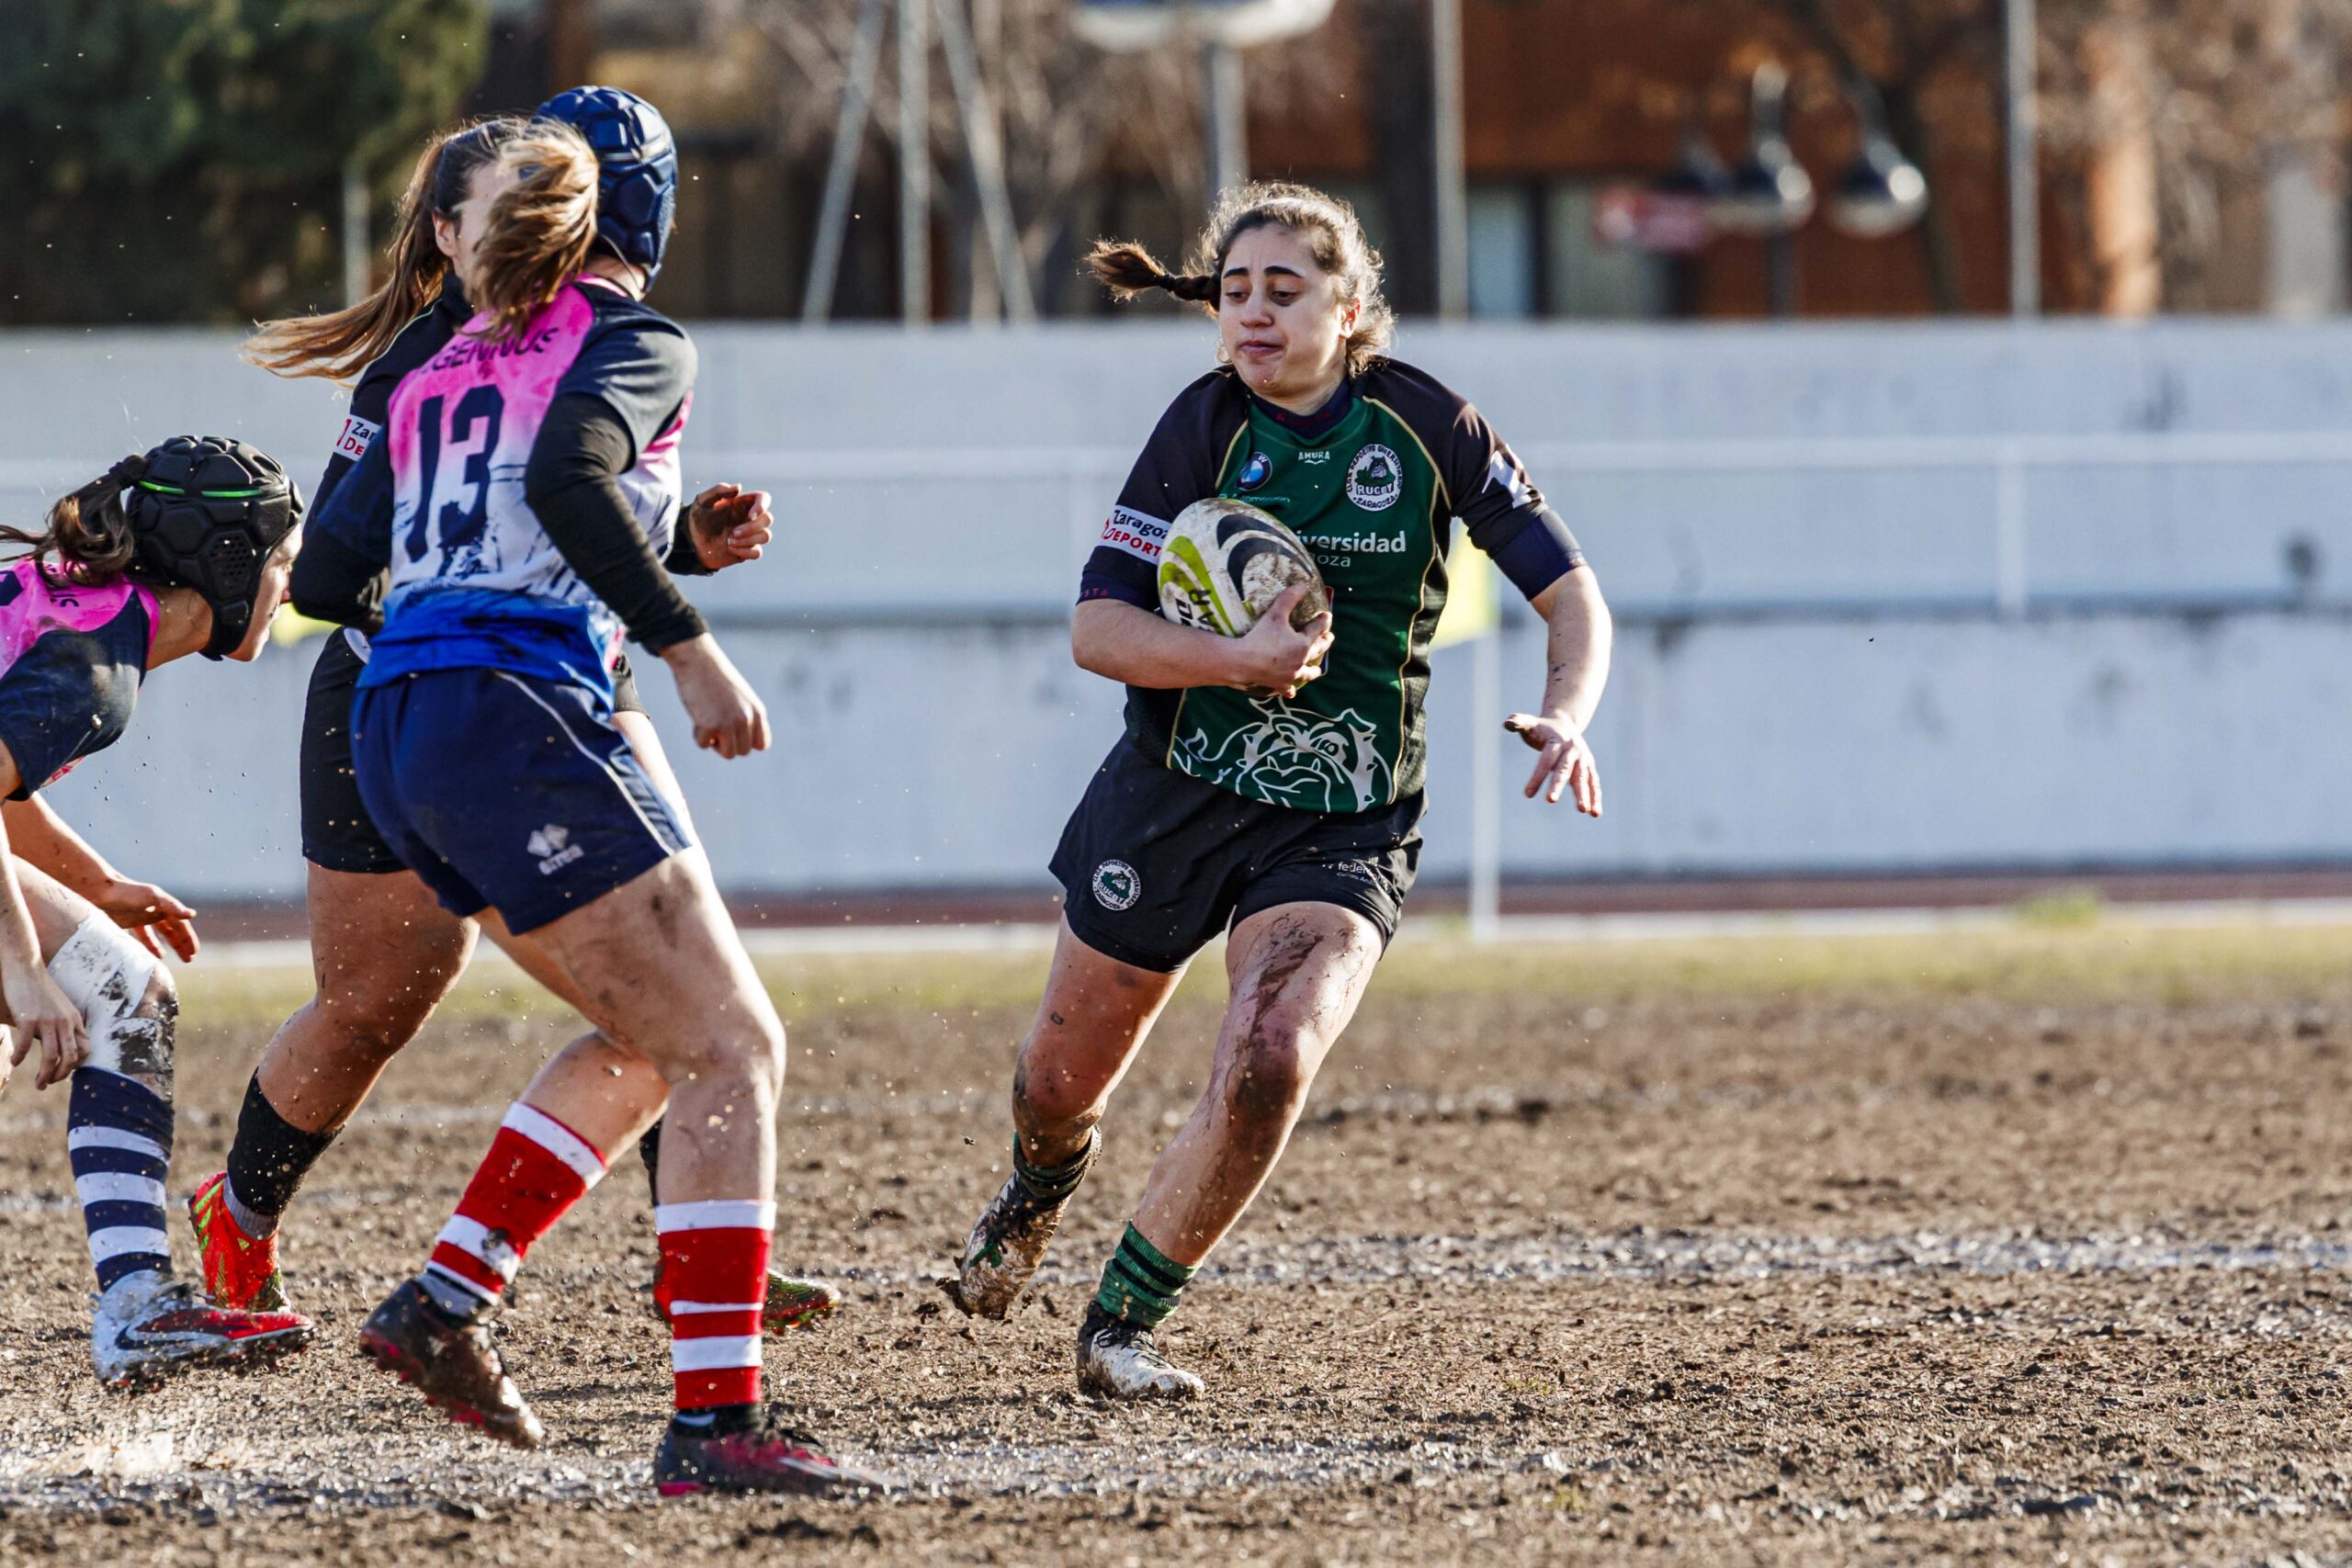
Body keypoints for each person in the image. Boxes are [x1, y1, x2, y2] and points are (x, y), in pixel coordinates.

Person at [942, 183, 1614, 1399]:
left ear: (1349, 310)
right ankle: (1036, 1189)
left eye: (1284, 290)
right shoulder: (1200, 428)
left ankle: (1121, 1325)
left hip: (1346, 815)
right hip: (1173, 791)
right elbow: (1099, 626)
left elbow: (1572, 594)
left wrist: (1565, 714)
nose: (1253, 313)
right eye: (1237, 291)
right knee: (1057, 1083)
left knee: (1271, 1055)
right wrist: (1234, 661)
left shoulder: (1428, 426)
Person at [190, 97, 837, 1337]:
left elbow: (559, 508)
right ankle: (245, 1212)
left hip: (544, 672)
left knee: (674, 974)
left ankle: (690, 1243)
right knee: (378, 1003)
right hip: (430, 681)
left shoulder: (584, 330)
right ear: (452, 225)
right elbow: (345, 569)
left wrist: (680, 550)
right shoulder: (435, 356)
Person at [302, 115, 880, 1496]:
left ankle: (446, 1299)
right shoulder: (641, 337)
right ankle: (714, 1422)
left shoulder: (432, 358)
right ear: (649, 214)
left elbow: (328, 566)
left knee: (651, 1032)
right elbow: (564, 473)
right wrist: (690, 644)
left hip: (398, 721)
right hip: (522, 709)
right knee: (735, 1044)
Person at [0, 436, 316, 1385]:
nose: (288, 589)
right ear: (226, 562)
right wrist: (21, 968)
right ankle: (134, 1309)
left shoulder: (92, 623)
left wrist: (95, 886)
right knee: (116, 992)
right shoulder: (92, 671)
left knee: (127, 988)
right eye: (280, 564)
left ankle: (137, 1305)